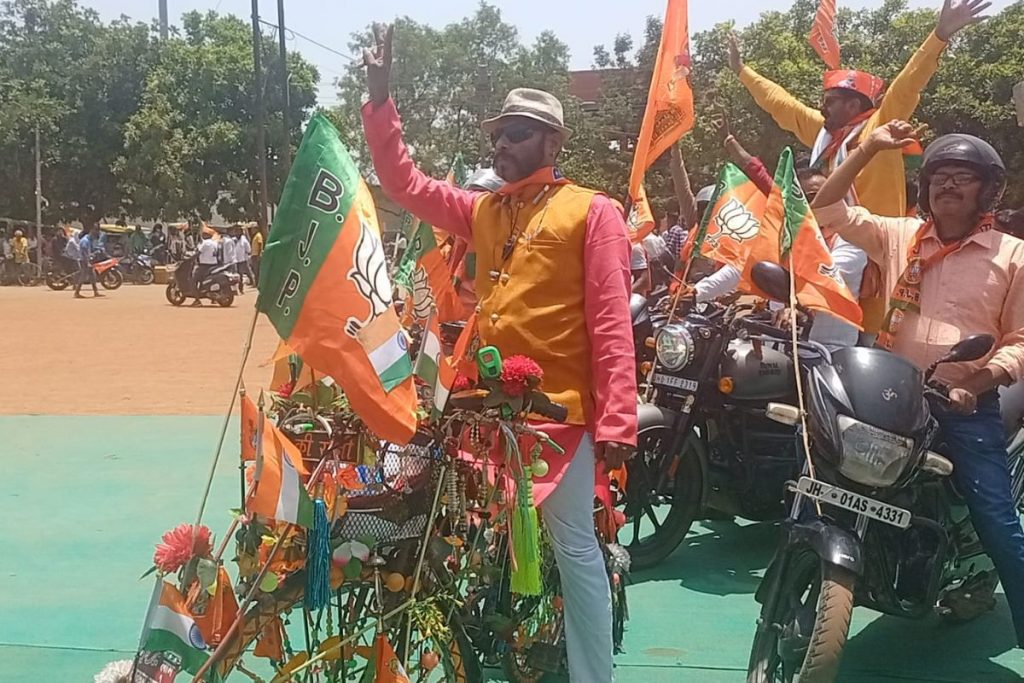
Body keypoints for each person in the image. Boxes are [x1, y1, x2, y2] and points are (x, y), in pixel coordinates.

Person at [361, 24, 636, 682]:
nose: (502, 145)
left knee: (575, 552)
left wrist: (619, 419)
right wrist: (379, 99)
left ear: (552, 140)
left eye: (515, 133)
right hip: (483, 418)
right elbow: (405, 183)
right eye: (497, 136)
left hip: (556, 421)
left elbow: (610, 320)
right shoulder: (484, 210)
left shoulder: (594, 212)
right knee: (452, 537)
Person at [811, 119, 1024, 645]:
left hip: (964, 404)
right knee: (820, 471)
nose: (948, 185)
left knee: (998, 520)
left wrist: (977, 380)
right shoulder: (900, 234)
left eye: (963, 177)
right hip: (890, 398)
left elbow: (1020, 339)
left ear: (987, 191)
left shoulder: (1013, 255)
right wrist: (867, 148)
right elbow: (827, 208)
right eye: (939, 177)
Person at [727, 0, 988, 217]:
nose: (821, 107)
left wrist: (939, 36)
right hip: (836, 247)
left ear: (853, 105)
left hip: (882, 246)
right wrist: (741, 70)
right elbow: (781, 103)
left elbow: (908, 83)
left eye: (830, 101)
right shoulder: (823, 132)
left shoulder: (882, 124)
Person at [74, 224, 103, 298]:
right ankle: (77, 292)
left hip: (87, 259)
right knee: (83, 276)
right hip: (84, 260)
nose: (97, 232)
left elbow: (89, 251)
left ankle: (96, 292)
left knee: (92, 275)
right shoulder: (85, 241)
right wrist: (88, 262)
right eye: (96, 230)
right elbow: (84, 253)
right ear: (92, 230)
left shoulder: (89, 240)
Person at [194, 228, 221, 306]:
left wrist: (191, 258)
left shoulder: (205, 243)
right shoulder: (215, 243)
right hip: (214, 265)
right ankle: (213, 299)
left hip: (205, 265)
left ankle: (197, 300)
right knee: (209, 281)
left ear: (205, 235)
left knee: (193, 280)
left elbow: (198, 253)